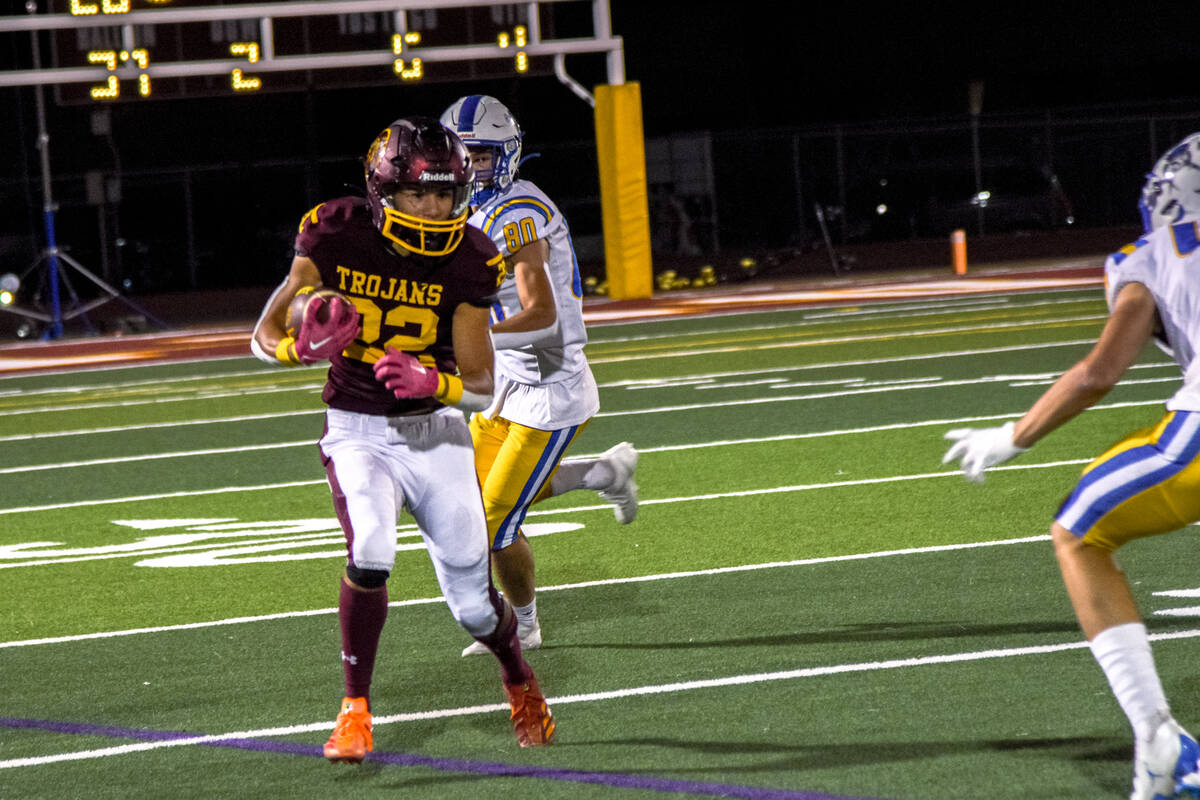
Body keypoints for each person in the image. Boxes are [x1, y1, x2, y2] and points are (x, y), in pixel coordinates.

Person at [250, 116, 555, 760]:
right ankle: (354, 710)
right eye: (417, 193)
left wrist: (430, 381)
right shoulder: (335, 231)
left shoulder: (471, 256)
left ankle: (518, 678)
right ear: (383, 191)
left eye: (445, 194)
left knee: (474, 608)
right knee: (372, 550)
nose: (433, 207)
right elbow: (265, 331)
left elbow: (479, 384)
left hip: (437, 434)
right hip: (358, 428)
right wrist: (294, 351)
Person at [941, 133, 1200, 800]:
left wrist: (1013, 437)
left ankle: (1157, 739)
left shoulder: (1145, 256)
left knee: (1079, 532)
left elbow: (1098, 374)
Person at [439, 95, 639, 657]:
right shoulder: (466, 208)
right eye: (461, 154)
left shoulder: (516, 213)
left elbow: (543, 316)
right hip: (508, 381)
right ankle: (601, 475)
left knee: (493, 520)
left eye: (480, 155)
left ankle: (522, 626)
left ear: (505, 155)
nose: (469, 166)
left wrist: (470, 337)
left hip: (552, 388)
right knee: (470, 495)